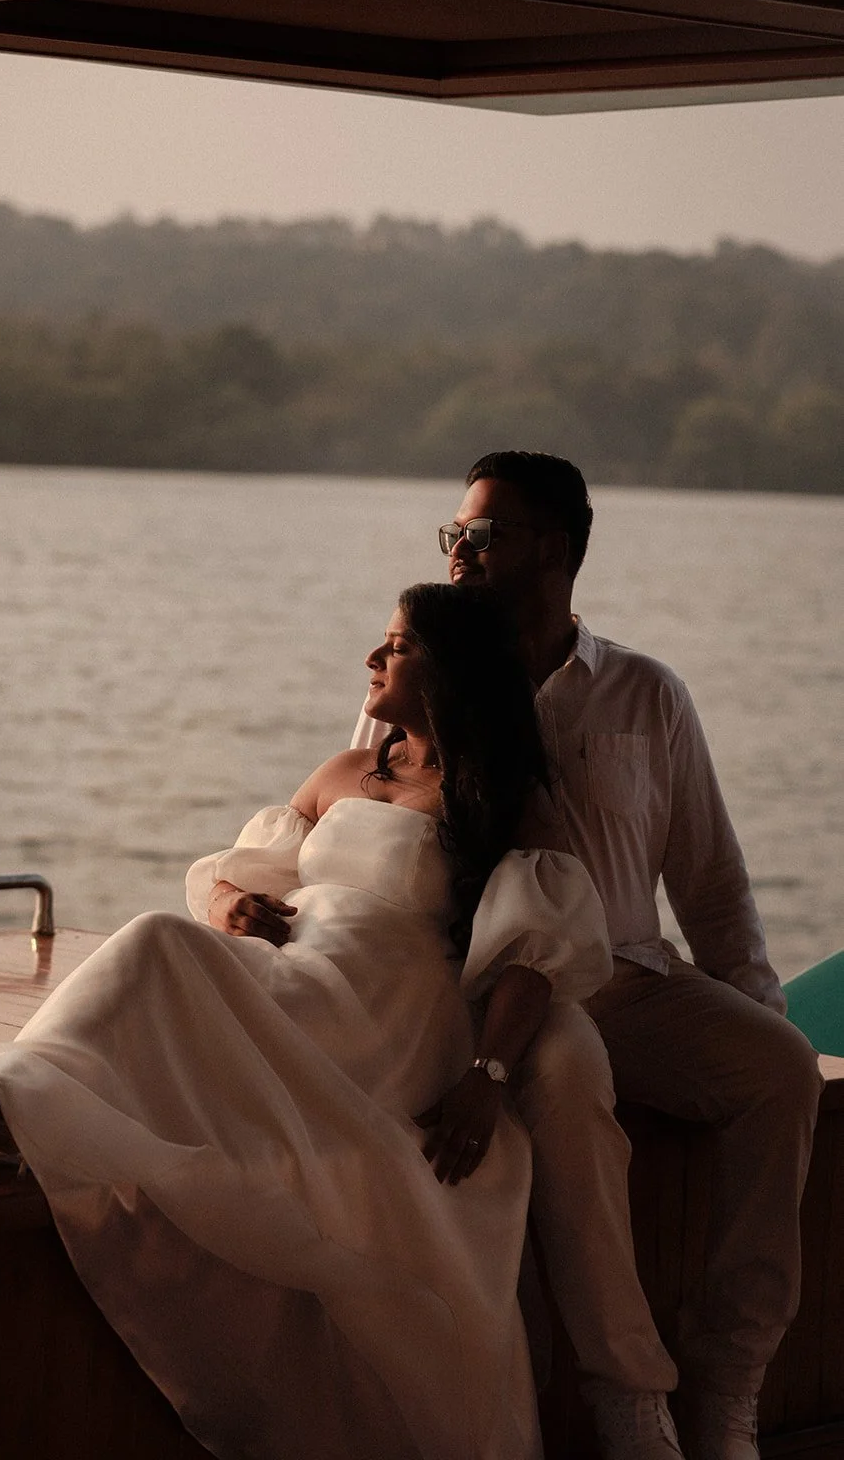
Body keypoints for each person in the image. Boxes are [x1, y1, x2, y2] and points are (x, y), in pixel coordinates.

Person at [0, 583, 614, 1460]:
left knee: (153, 946)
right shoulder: (345, 773)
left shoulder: (499, 799)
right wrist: (230, 900)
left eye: (396, 646)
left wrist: (485, 1079)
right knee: (163, 943)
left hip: (386, 1015)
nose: (372, 660)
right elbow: (243, 867)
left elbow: (533, 953)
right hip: (298, 967)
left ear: (449, 668)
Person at [354, 453, 824, 1460]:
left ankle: (728, 1379)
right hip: (490, 989)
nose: (458, 553)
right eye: (453, 535)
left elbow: (711, 885)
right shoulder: (420, 672)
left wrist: (754, 1008)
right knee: (565, 1077)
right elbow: (362, 814)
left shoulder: (645, 695)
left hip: (632, 980)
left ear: (554, 550)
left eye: (482, 536)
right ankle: (624, 1396)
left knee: (782, 1069)